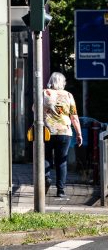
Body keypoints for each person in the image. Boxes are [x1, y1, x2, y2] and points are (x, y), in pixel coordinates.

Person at [43, 71, 83, 199]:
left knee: (46, 157)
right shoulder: (69, 96)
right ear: (62, 83)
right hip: (65, 132)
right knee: (61, 162)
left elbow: (34, 109)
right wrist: (79, 133)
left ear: (51, 81)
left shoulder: (44, 93)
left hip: (47, 131)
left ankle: (46, 178)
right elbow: (74, 116)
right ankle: (60, 190)